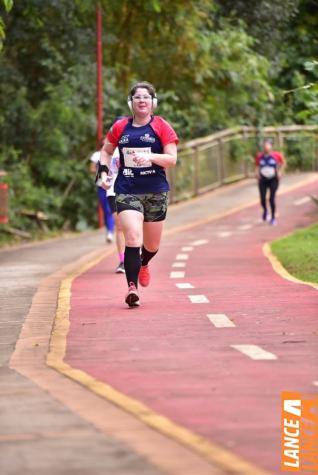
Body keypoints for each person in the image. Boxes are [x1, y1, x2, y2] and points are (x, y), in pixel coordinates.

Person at [99, 81, 179, 307]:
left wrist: (151, 157)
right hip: (127, 190)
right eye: (137, 97)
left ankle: (144, 264)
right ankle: (131, 288)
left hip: (155, 191)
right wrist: (103, 173)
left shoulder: (162, 126)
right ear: (131, 102)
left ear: (153, 102)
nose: (141, 100)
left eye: (146, 97)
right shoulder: (120, 127)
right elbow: (106, 151)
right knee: (132, 237)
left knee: (152, 246)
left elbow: (172, 159)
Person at [255, 139, 285, 225]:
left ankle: (273, 217)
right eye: (265, 145)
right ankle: (265, 210)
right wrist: (257, 173)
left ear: (271, 146)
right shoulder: (259, 156)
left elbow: (283, 162)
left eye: (268, 145)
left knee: (271, 198)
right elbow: (257, 165)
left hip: (273, 179)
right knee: (262, 198)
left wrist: (280, 172)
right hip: (263, 179)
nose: (266, 147)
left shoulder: (276, 155)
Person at [90, 149, 115, 243]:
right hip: (101, 186)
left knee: (110, 210)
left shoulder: (117, 152)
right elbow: (91, 169)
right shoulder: (96, 155)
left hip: (113, 186)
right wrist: (100, 171)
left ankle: (110, 232)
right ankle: (109, 229)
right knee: (105, 210)